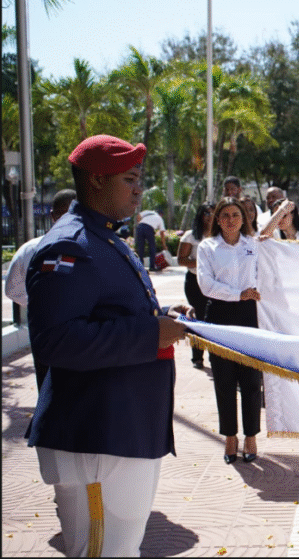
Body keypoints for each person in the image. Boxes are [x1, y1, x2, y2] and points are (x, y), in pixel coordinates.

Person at [24, 134, 192, 557]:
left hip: (122, 431)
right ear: (97, 180)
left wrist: (163, 318)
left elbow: (106, 315)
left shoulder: (103, 238)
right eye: (130, 179)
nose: (139, 189)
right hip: (96, 436)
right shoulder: (70, 244)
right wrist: (151, 334)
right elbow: (56, 341)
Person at [197, 197, 263, 465]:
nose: (231, 220)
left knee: (250, 380)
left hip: (250, 315)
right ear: (217, 219)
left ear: (244, 218)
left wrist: (250, 295)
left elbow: (267, 274)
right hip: (221, 315)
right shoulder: (207, 247)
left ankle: (251, 436)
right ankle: (230, 437)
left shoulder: (255, 245)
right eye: (225, 215)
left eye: (236, 214)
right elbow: (206, 285)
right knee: (224, 381)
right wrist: (238, 294)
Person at [5, 188, 76, 389]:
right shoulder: (92, 248)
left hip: (43, 333)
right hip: (82, 337)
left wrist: (38, 304)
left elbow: (12, 289)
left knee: (47, 391)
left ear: (52, 216)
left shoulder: (29, 248)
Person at [177, 202, 214, 369]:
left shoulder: (220, 236)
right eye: (206, 213)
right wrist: (202, 262)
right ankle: (197, 357)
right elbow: (181, 260)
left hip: (215, 283)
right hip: (195, 282)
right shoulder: (191, 236)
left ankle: (216, 355)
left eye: (214, 213)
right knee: (198, 317)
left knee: (214, 318)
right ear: (200, 215)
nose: (210, 216)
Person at [135, 207, 167, 272]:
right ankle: (152, 267)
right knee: (152, 248)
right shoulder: (160, 218)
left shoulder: (148, 212)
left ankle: (140, 267)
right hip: (149, 229)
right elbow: (162, 233)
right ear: (161, 214)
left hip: (140, 227)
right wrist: (164, 245)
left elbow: (138, 216)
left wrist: (139, 223)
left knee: (140, 248)